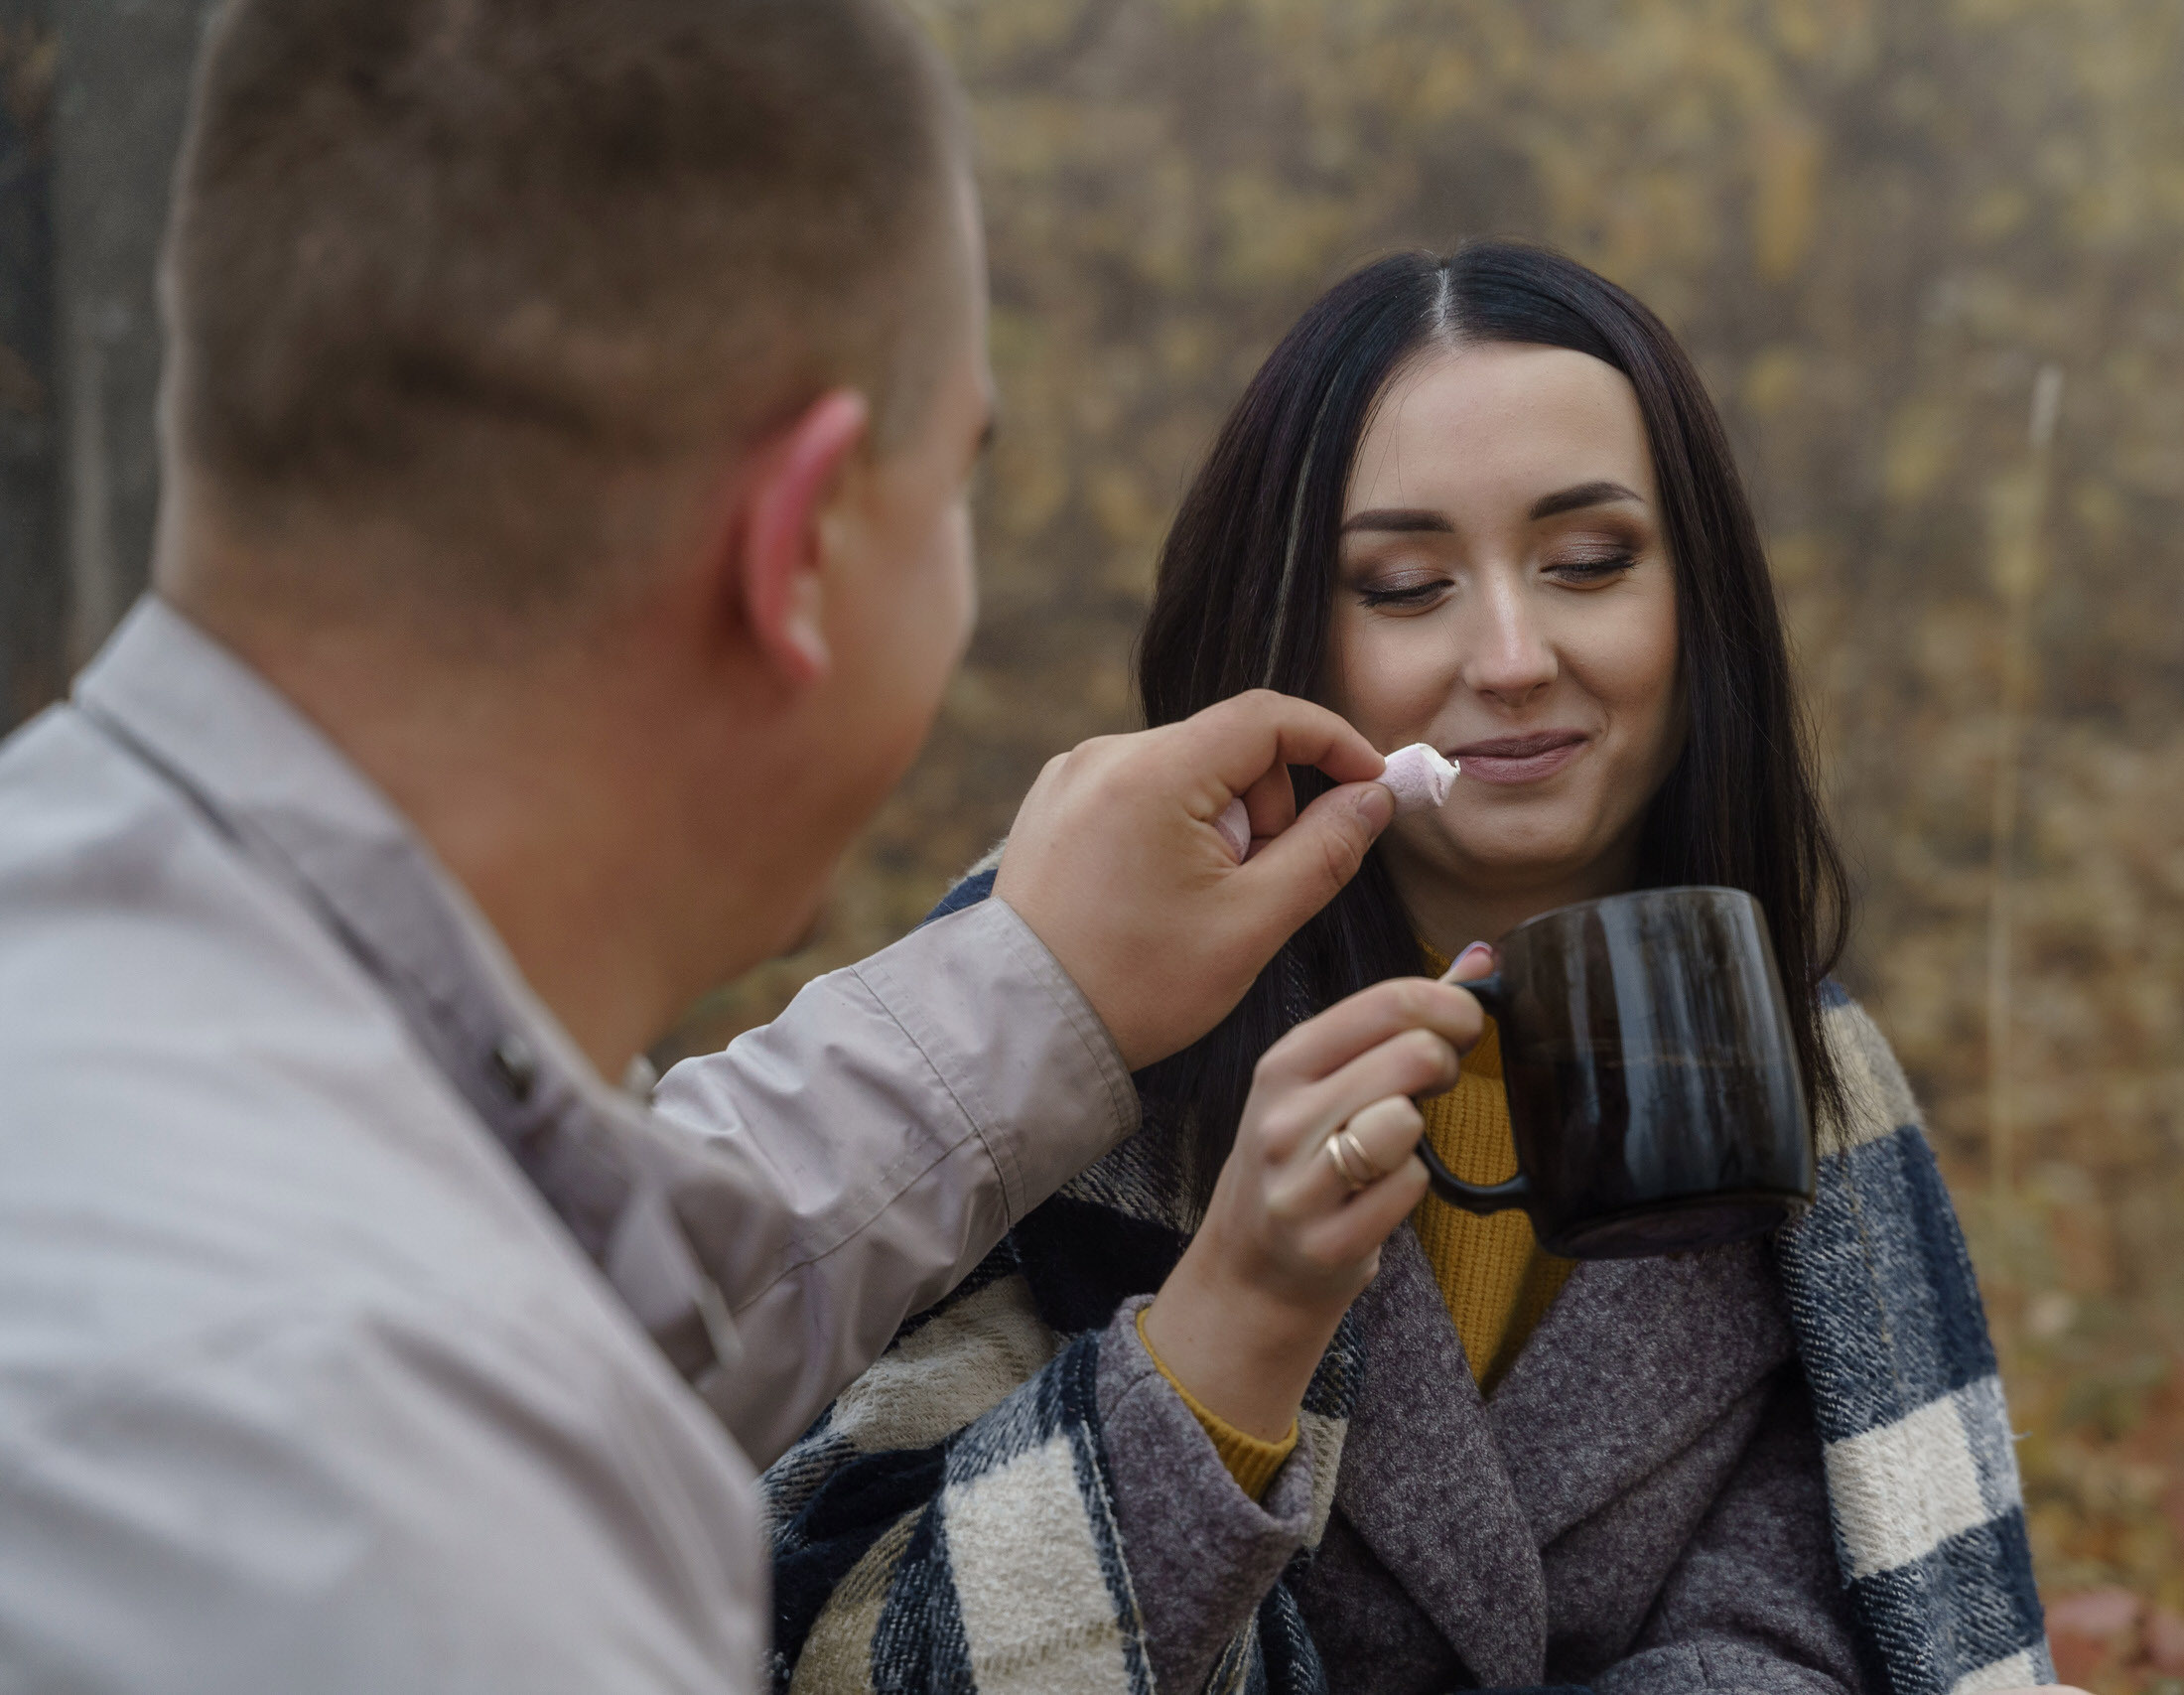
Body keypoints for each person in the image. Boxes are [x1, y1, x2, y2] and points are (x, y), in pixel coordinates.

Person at [0, 3, 1486, 1689]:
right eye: (955, 490)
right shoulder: (395, 1535)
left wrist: (1029, 991)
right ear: (803, 548)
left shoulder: (135, 1025)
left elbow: (569, 1264)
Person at [761, 243, 2082, 1695]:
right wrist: (1234, 1327)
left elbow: (1815, 1642)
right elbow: (841, 1655)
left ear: (1698, 606)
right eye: (1403, 585)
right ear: (1289, 634)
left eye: (1590, 563)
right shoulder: (1059, 1026)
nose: (1514, 655)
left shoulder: (1812, 1091)